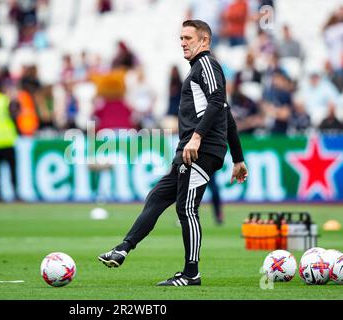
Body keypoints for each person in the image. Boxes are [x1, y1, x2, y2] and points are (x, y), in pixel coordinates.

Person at [98, 20, 248, 286]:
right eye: (181, 38)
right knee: (157, 196)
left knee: (186, 208)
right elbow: (227, 115)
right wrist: (238, 159)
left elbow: (216, 103)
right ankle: (123, 248)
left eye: (188, 37)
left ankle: (192, 274)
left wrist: (198, 137)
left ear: (204, 41)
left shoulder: (206, 65)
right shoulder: (198, 70)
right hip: (191, 149)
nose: (183, 42)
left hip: (201, 149)